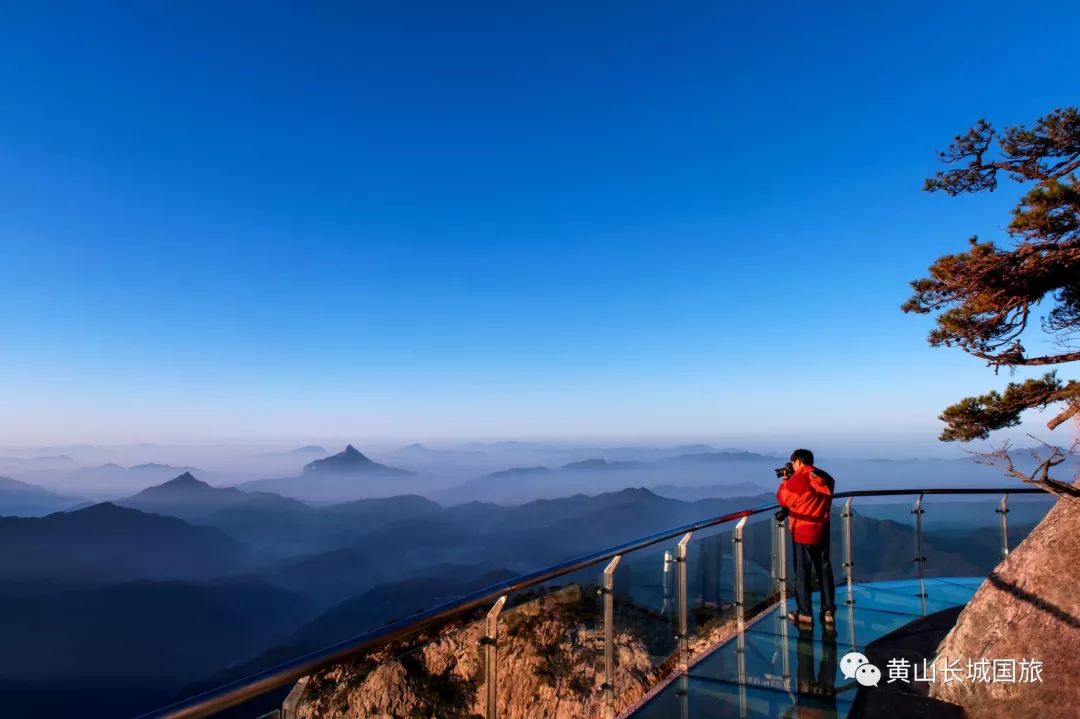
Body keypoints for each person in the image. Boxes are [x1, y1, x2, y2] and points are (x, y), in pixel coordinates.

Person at [776, 448, 836, 626]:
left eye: (793, 463)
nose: (792, 466)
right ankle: (828, 610)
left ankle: (804, 612)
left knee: (802, 572)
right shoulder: (824, 478)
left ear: (798, 462)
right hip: (822, 529)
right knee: (824, 571)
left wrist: (786, 478)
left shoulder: (798, 479)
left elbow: (783, 498)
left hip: (802, 531)